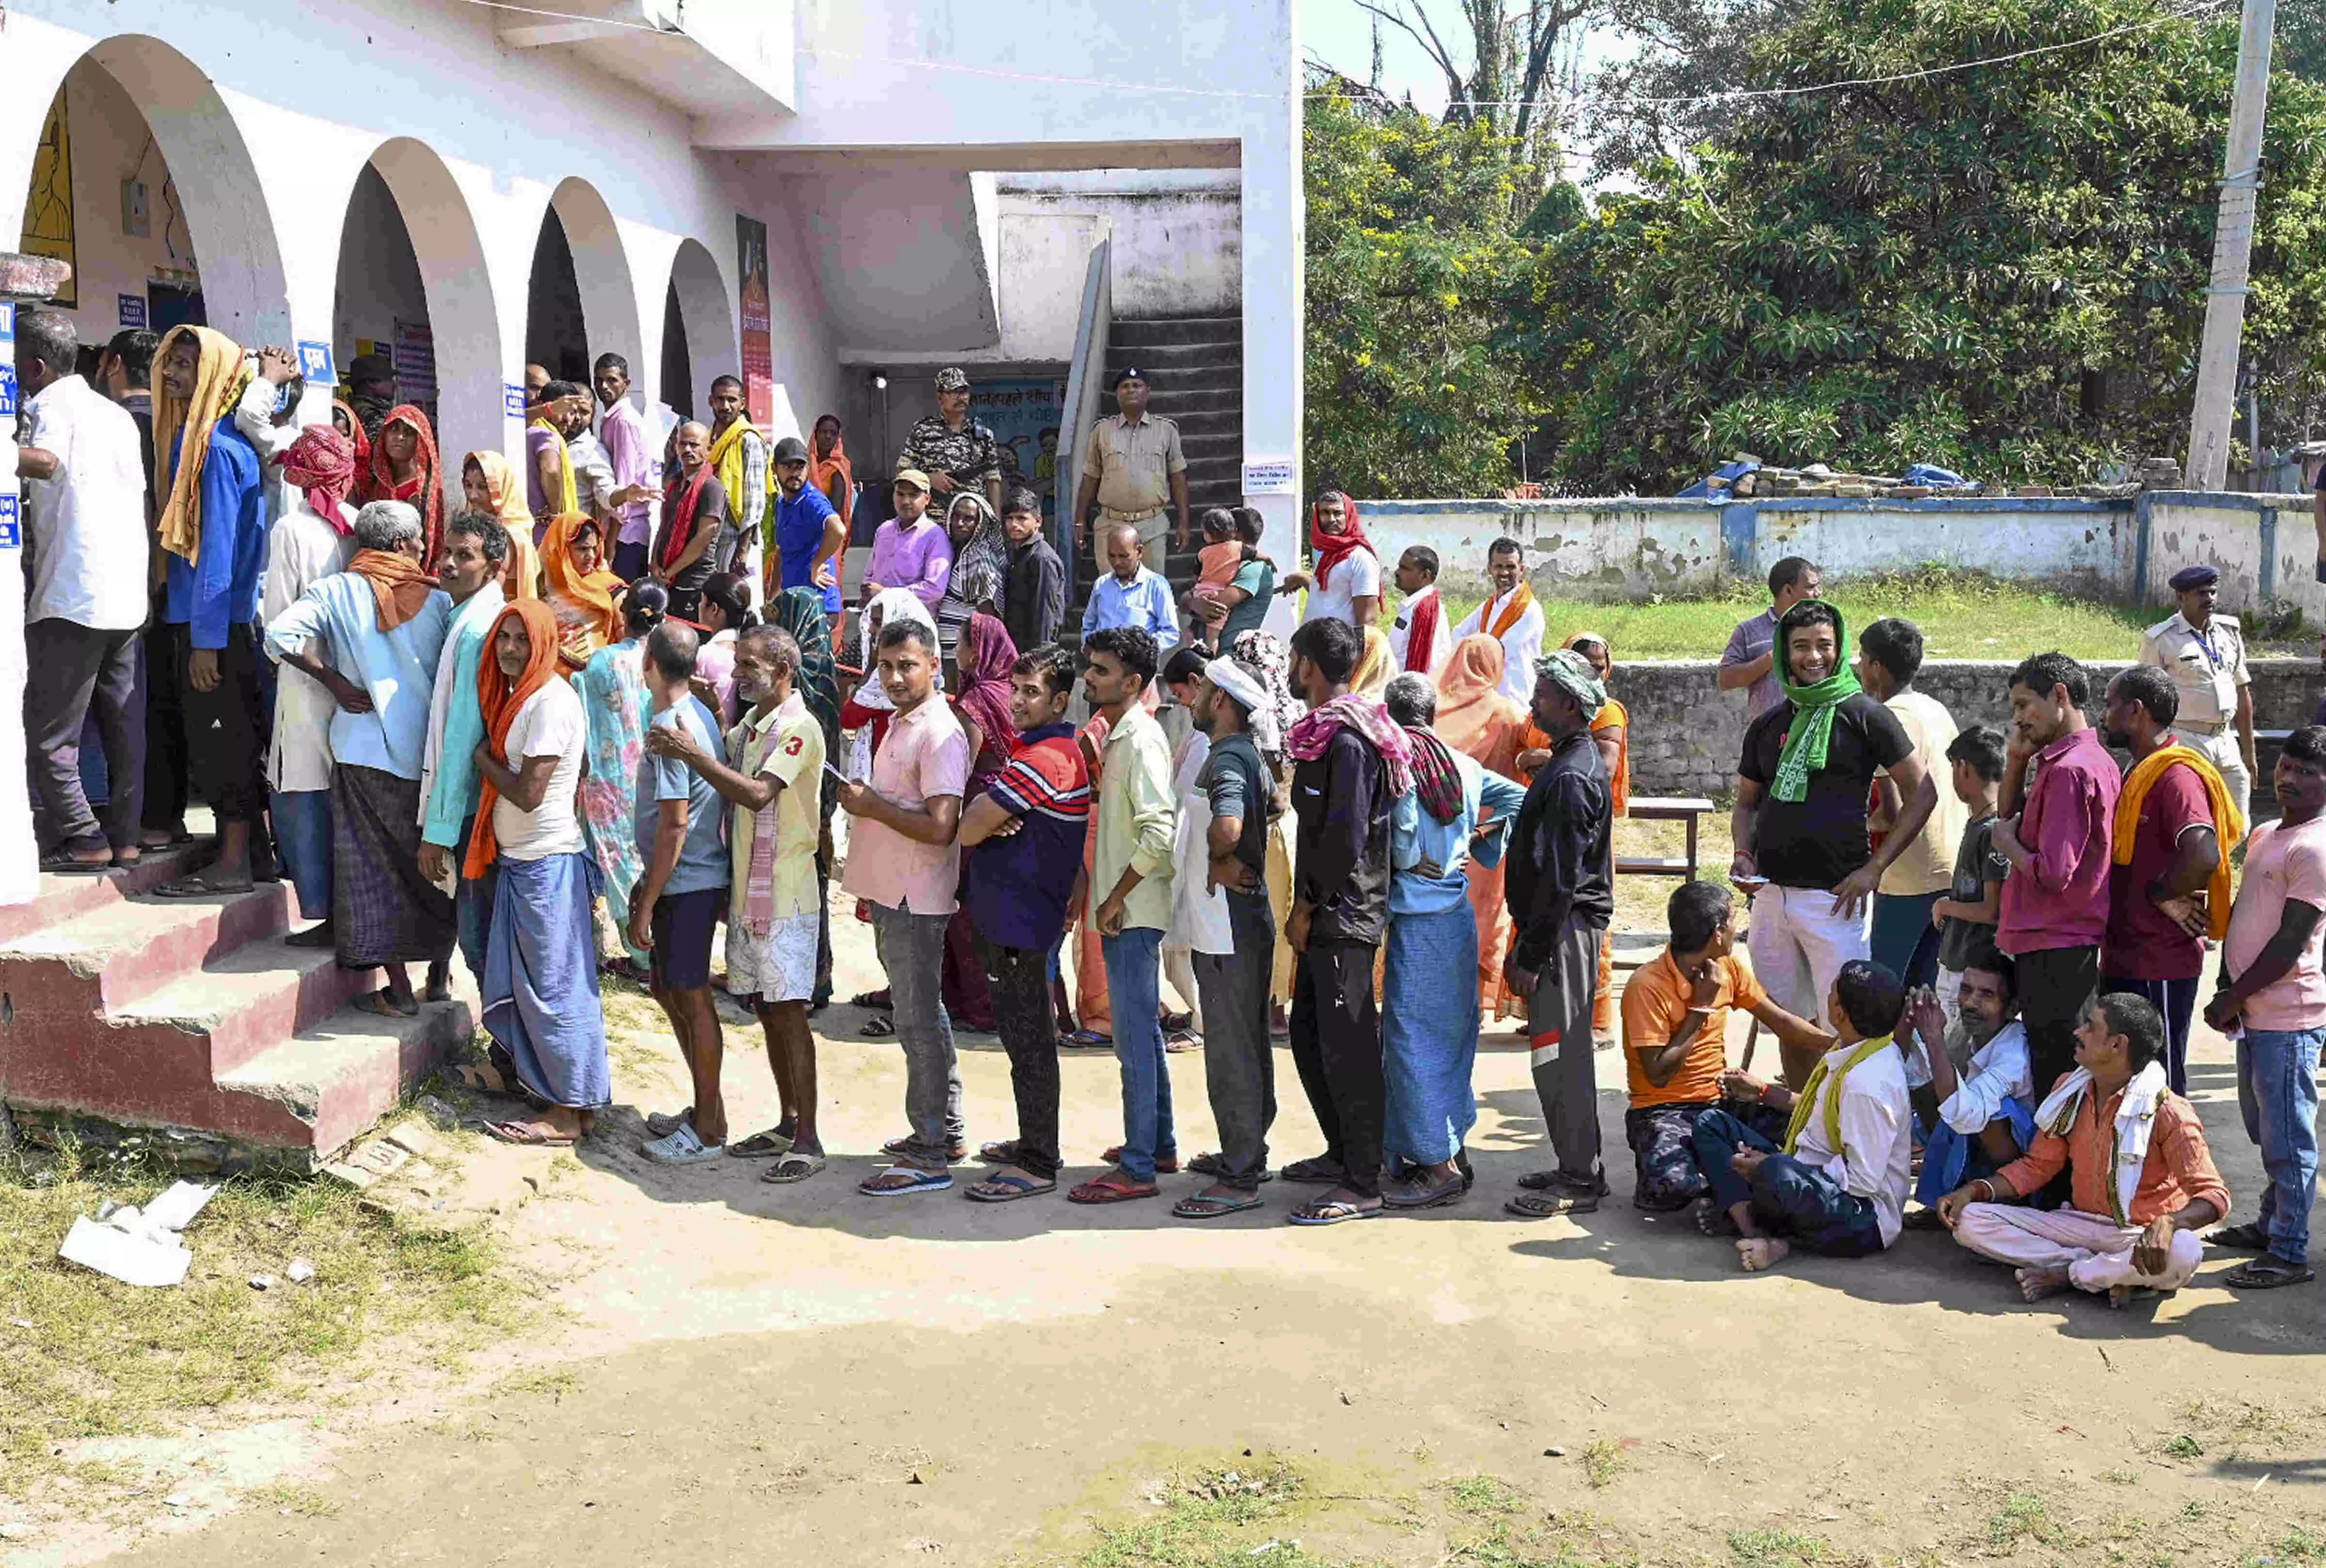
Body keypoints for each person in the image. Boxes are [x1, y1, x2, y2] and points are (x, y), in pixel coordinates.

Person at [647, 624, 829, 1183]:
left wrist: (689, 751)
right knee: (769, 1009)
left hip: (787, 894)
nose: (741, 674)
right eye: (741, 664)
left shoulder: (800, 728)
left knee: (792, 1013)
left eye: (751, 666)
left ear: (783, 669)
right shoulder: (752, 725)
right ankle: (786, 1119)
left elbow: (754, 793)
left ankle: (809, 1137)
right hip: (753, 891)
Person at [262, 501, 455, 1015]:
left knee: (374, 873)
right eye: (416, 541)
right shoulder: (436, 600)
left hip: (364, 751)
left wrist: (335, 681)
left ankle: (398, 990)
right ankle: (439, 976)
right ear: (399, 545)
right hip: (429, 757)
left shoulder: (337, 590)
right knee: (432, 867)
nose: (421, 548)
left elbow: (278, 634)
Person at [1730, 601, 1930, 1070]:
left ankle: (1842, 1129)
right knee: (1787, 1021)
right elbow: (1745, 804)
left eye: (1824, 645)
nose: (1813, 657)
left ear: (1839, 650)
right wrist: (1743, 853)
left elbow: (1923, 794)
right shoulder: (1769, 724)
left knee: (1847, 1025)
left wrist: (1875, 870)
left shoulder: (1865, 716)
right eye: (1801, 647)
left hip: (1836, 898)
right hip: (1772, 897)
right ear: (1784, 651)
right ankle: (1802, 1126)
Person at [1939, 992, 2228, 1305]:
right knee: (1970, 1221)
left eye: (2091, 1027)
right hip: (2077, 1225)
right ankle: (2101, 1273)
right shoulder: (2070, 1089)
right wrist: (1975, 1191)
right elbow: (2038, 1166)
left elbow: (2213, 1196)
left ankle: (2067, 1275)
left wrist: (2170, 1223)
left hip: (2136, 1234)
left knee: (2185, 1252)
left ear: (2117, 1045)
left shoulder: (2168, 1110)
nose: (2078, 1032)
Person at [1378, 672, 1527, 1210]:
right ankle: (1447, 1144)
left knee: (1408, 1039)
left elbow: (1400, 829)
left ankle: (1435, 1166)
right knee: (1450, 1037)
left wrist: (1402, 859)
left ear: (1391, 716)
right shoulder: (1462, 765)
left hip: (1418, 919)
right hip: (1456, 915)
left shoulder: (1397, 763)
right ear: (1433, 714)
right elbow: (1518, 798)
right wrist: (1479, 842)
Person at [467, 598, 609, 1147]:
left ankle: (566, 1113)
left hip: (547, 866)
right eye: (503, 637)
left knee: (556, 991)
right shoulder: (527, 699)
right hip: (529, 864)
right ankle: (571, 1100)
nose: (509, 649)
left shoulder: (548, 701)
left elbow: (528, 793)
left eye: (522, 640)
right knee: (547, 988)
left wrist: (482, 759)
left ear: (545, 644)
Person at [15, 307, 151, 874]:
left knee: (50, 734)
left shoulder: (47, 409)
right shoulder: (114, 413)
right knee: (123, 729)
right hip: (124, 593)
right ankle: (125, 839)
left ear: (34, 366)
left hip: (72, 593)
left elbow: (43, 471)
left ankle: (83, 835)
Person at [1280, 616, 1406, 1224]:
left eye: (1294, 658)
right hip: (1325, 912)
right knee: (1309, 1035)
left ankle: (1364, 1180)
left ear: (1307, 665)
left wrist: (1306, 906)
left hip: (1345, 915)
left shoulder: (1349, 740)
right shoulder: (1324, 733)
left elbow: (1346, 837)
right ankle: (1342, 1153)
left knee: (1349, 1048)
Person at [839, 617, 972, 1193]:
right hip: (894, 889)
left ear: (934, 665)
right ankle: (945, 1126)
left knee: (917, 1019)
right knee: (924, 1012)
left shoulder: (939, 732)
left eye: (907, 665)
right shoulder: (904, 722)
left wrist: (871, 807)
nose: (894, 677)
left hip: (916, 894)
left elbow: (942, 827)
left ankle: (930, 1152)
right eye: (886, 665)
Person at [958, 643, 1089, 1202]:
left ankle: (1037, 1161)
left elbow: (967, 828)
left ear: (1060, 699)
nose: (1017, 700)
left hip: (1022, 922)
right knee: (1021, 1038)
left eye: (1031, 691)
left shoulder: (1047, 758)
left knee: (1031, 1041)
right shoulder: (1037, 751)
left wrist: (988, 815)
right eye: (1015, 688)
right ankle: (1034, 1142)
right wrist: (993, 815)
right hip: (1015, 916)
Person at [2201, 724, 2326, 1290]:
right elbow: (2248, 918)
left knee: (2288, 1139)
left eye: (2306, 770)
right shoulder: (2267, 833)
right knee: (2264, 1130)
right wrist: (2229, 987)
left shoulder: (2316, 847)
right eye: (2286, 764)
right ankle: (2271, 1223)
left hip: (2289, 1018)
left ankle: (2289, 1250)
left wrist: (2233, 992)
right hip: (2254, 1013)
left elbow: (2288, 942)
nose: (2289, 777)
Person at [1619, 881, 1830, 1212]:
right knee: (1672, 1188)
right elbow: (1658, 1075)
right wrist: (1700, 1009)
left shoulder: (1728, 969)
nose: (1738, 928)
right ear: (1718, 933)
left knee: (1810, 1134)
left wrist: (1839, 1045)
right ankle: (1727, 1185)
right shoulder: (1646, 986)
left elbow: (1782, 1023)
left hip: (1719, 1101)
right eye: (1733, 920)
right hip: (1662, 1109)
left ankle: (1726, 1182)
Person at [1688, 960, 1913, 1271]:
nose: (1828, 998)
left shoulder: (1868, 1084)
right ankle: (1755, 1224)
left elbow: (1862, 1182)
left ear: (1839, 1013)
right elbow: (1820, 1116)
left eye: (1832, 994)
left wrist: (1777, 1167)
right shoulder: (1856, 1048)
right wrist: (1763, 1093)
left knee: (1776, 1173)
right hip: (1810, 1167)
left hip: (1864, 1218)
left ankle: (1762, 1229)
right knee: (1712, 1124)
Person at [150, 325, 270, 896]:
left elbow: (218, 552)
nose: (171, 374)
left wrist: (206, 641)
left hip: (216, 627)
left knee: (225, 743)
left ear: (215, 376)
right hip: (209, 621)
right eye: (169, 362)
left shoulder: (217, 450)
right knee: (222, 739)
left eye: (184, 365)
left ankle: (234, 860)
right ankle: (245, 856)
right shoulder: (199, 440)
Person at [1066, 626, 1180, 1204]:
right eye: (1091, 667)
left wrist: (1114, 899)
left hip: (1131, 912)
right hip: (1126, 906)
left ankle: (1139, 1167)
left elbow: (1159, 831)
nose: (1089, 677)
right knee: (1144, 1035)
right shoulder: (1121, 735)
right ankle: (1157, 1143)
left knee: (1133, 1041)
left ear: (1133, 682)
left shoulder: (1138, 740)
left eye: (1102, 671)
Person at [1502, 649, 1617, 1218]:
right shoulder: (1570, 761)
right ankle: (1575, 1162)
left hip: (1563, 932)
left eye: (1542, 695)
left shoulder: (1573, 775)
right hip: (1559, 927)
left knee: (1561, 1052)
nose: (1532, 703)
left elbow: (1560, 879)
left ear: (1569, 704)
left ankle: (1580, 1176)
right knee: (1555, 1051)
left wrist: (1531, 950)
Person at [1170, 654, 1285, 1219]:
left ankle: (1240, 1175)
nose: (1190, 699)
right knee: (1243, 1039)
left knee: (1231, 1047)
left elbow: (1230, 825)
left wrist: (1220, 858)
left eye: (1199, 692)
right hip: (1233, 924)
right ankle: (1247, 1149)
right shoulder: (1240, 753)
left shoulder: (1230, 759)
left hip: (1229, 926)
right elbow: (1277, 804)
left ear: (1220, 700)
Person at [2101, 665, 2238, 1094]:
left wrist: (2164, 894)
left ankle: (2175, 1162)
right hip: (2127, 953)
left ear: (2136, 711)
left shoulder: (2175, 777)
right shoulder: (2139, 770)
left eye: (2110, 706)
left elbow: (2202, 852)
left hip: (2159, 960)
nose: (2104, 716)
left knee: (2159, 1083)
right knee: (2127, 1079)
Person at [628, 623, 734, 1164]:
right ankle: (702, 1108)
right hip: (688, 879)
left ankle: (711, 1128)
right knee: (671, 991)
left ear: (649, 662)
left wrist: (647, 898)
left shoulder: (672, 726)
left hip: (687, 881)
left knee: (692, 999)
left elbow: (674, 825)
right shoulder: (697, 714)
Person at [1995, 651, 2121, 1099]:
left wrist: (2007, 846)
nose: (2019, 718)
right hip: (2057, 944)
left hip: (2058, 947)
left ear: (2060, 696)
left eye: (2025, 705)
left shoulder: (2071, 770)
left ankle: (2066, 1172)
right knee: (2058, 1076)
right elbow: (2006, 814)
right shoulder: (2073, 760)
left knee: (2060, 1082)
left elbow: (2053, 873)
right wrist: (2016, 760)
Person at [262, 427, 361, 937]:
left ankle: (321, 910)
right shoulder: (355, 523)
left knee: (300, 790)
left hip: (307, 679)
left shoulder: (291, 530)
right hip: (355, 682)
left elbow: (279, 622)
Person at [418, 512, 511, 983]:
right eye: (447, 552)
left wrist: (439, 827)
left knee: (480, 937)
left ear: (494, 566)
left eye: (464, 555)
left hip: (475, 806)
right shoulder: (465, 615)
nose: (448, 563)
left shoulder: (476, 629)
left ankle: (506, 1050)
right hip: (482, 801)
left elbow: (461, 736)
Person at [1856, 617, 1962, 992]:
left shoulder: (1889, 718)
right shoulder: (1934, 708)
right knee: (1924, 991)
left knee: (1884, 989)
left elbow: (1892, 811)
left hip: (1908, 875)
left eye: (1862, 658)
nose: (1858, 667)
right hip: (1950, 864)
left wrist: (1859, 829)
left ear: (1876, 668)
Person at [1896, 949, 2035, 1219]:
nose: (1971, 1003)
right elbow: (1916, 1076)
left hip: (2016, 1159)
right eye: (1966, 991)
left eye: (1987, 995)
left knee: (1994, 1111)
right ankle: (1939, 1200)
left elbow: (1966, 1116)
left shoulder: (2014, 1053)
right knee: (1927, 1083)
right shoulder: (1965, 1030)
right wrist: (1909, 1021)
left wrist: (1934, 1038)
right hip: (1968, 1130)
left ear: (2012, 1008)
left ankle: (2008, 1202)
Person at [1435, 634, 1531, 1021]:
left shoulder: (1434, 708)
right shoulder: (1504, 714)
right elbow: (1513, 777)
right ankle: (1473, 1004)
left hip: (1440, 829)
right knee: (1483, 916)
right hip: (1488, 831)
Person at [574, 583, 665, 976]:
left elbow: (585, 721)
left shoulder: (601, 663)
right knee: (645, 862)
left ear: (622, 614)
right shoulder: (665, 660)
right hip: (654, 780)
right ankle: (655, 948)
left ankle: (640, 956)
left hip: (608, 782)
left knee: (618, 866)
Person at [2138, 564, 2256, 831]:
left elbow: (2242, 690)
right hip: (2186, 738)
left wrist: (2249, 751)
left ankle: (2223, 869)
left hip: (2226, 739)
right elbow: (2145, 699)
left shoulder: (2229, 632)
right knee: (2194, 822)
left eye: (2213, 592)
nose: (2210, 599)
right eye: (2202, 594)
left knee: (2239, 823)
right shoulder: (2160, 639)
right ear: (2181, 597)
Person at [1566, 630, 1630, 1041]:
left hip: (1587, 829)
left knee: (1588, 918)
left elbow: (1601, 770)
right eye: (1584, 664)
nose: (1593, 672)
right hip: (1552, 824)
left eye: (1599, 665)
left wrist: (1543, 759)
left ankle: (1595, 1019)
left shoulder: (1606, 713)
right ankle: (1553, 1014)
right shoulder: (1557, 708)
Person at [1930, 726, 2010, 1030]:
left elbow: (1992, 910)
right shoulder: (1977, 824)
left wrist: (1945, 906)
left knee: (1956, 1050)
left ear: (1962, 767)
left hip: (1971, 971)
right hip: (1956, 962)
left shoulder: (1992, 830)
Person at [1071, 367, 1188, 573]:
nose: (1131, 390)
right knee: (1111, 595)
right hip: (1111, 524)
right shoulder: (1102, 432)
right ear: (1117, 395)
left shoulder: (1167, 430)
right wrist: (1080, 520)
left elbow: (1178, 479)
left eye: (1137, 385)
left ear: (1148, 392)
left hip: (1152, 525)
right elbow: (1090, 478)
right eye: (1125, 386)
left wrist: (1184, 523)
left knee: (1152, 593)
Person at [1717, 556, 1823, 721]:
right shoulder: (1749, 631)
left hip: (1813, 730)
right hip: (1767, 734)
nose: (1819, 593)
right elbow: (1726, 680)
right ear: (1788, 591)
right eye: (1811, 587)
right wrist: (1771, 659)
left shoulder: (1824, 630)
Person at [1447, 538, 1542, 704]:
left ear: (1522, 569)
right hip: (1490, 695)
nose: (1505, 573)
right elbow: (1458, 633)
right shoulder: (1490, 606)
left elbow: (1498, 652)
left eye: (1511, 567)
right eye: (1499, 567)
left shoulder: (1529, 610)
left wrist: (1468, 655)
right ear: (1490, 569)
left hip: (1517, 698)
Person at [901, 366, 1003, 519]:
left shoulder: (983, 434)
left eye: (964, 392)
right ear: (940, 397)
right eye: (954, 392)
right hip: (933, 521)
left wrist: (996, 522)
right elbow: (902, 473)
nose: (961, 397)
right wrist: (929, 479)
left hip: (972, 521)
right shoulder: (923, 430)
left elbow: (993, 480)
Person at [593, 353, 660, 581]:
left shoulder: (623, 421)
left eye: (612, 380)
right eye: (599, 380)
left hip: (626, 535)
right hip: (624, 532)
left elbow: (625, 489)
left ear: (626, 384)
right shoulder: (612, 418)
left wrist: (611, 545)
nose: (604, 386)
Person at [769, 434, 845, 620]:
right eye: (788, 467)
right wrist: (773, 599)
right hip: (793, 605)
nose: (795, 473)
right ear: (774, 468)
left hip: (818, 607)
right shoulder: (781, 503)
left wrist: (816, 564)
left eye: (800, 467)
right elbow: (782, 552)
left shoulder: (812, 500)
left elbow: (838, 530)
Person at [1280, 490, 1381, 630]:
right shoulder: (1329, 553)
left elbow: (1369, 621)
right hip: (1312, 645)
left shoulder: (1360, 559)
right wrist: (1303, 579)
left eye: (1338, 513)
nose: (1332, 519)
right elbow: (1332, 596)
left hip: (1339, 649)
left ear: (1349, 515)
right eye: (1325, 513)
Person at [933, 491, 1008, 668]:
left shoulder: (978, 561)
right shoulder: (957, 555)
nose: (960, 523)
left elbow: (986, 619)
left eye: (968, 519)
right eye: (956, 516)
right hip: (949, 653)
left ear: (980, 524)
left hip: (964, 658)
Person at [540, 514, 625, 666]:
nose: (591, 556)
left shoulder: (610, 587)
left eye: (594, 548)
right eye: (583, 549)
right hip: (552, 681)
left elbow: (630, 642)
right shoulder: (541, 587)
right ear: (562, 549)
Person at [863, 469, 953, 610]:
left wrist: (886, 594)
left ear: (927, 499)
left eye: (913, 495)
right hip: (879, 617)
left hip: (913, 621)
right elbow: (870, 574)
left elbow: (935, 589)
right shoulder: (884, 530)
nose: (906, 501)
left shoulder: (935, 535)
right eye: (900, 494)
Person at [364, 404, 443, 563]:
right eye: (394, 429)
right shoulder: (377, 485)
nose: (399, 437)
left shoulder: (429, 490)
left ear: (420, 441)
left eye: (409, 433)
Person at [461, 450, 542, 602]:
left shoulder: (509, 533)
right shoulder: (472, 523)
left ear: (502, 487)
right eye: (468, 485)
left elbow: (493, 588)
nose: (472, 495)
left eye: (482, 487)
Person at [1200, 507, 1278, 651]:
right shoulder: (1228, 565)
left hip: (1232, 657)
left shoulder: (1254, 569)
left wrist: (1193, 602)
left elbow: (1212, 608)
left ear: (1236, 532)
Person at [999, 485, 1064, 655]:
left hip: (1032, 654)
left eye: (1022, 518)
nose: (1014, 525)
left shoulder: (1042, 558)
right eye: (1010, 518)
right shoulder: (1019, 554)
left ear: (1038, 522)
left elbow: (1045, 616)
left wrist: (1037, 659)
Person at [1387, 546, 1452, 677]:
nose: (1397, 573)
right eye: (1399, 567)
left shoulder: (1427, 611)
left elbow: (1428, 664)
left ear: (1425, 576)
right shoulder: (1415, 607)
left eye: (1405, 569)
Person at [528, 380, 584, 528]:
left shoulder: (527, 433)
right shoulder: (546, 435)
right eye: (561, 411)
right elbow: (551, 470)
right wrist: (555, 514)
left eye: (571, 413)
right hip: (546, 530)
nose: (567, 419)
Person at [345, 353, 397, 444]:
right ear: (372, 382)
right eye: (389, 380)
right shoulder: (369, 416)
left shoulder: (355, 411)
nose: (395, 385)